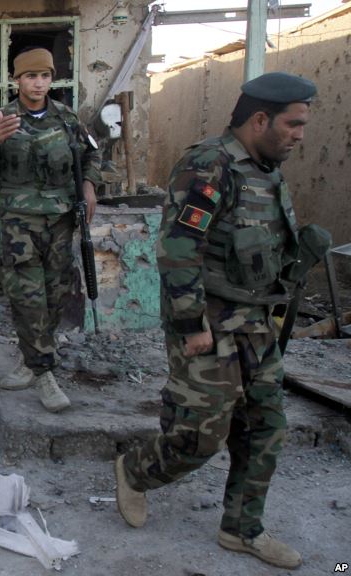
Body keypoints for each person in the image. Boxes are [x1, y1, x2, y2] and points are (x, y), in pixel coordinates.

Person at [114, 72, 319, 569]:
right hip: (209, 319)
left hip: (254, 321)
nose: (299, 134)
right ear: (260, 119)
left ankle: (242, 529)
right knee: (201, 435)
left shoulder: (267, 169)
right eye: (293, 124)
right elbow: (179, 248)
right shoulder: (210, 164)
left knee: (266, 427)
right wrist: (190, 326)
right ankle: (136, 472)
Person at [0, 47, 100, 413]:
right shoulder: (2, 118)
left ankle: (29, 359)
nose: (38, 83)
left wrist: (89, 186)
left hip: (61, 220)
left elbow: (92, 156)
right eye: (30, 76)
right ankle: (44, 373)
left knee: (55, 296)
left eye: (44, 76)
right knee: (27, 297)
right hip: (20, 223)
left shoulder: (68, 119)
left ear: (52, 79)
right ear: (17, 80)